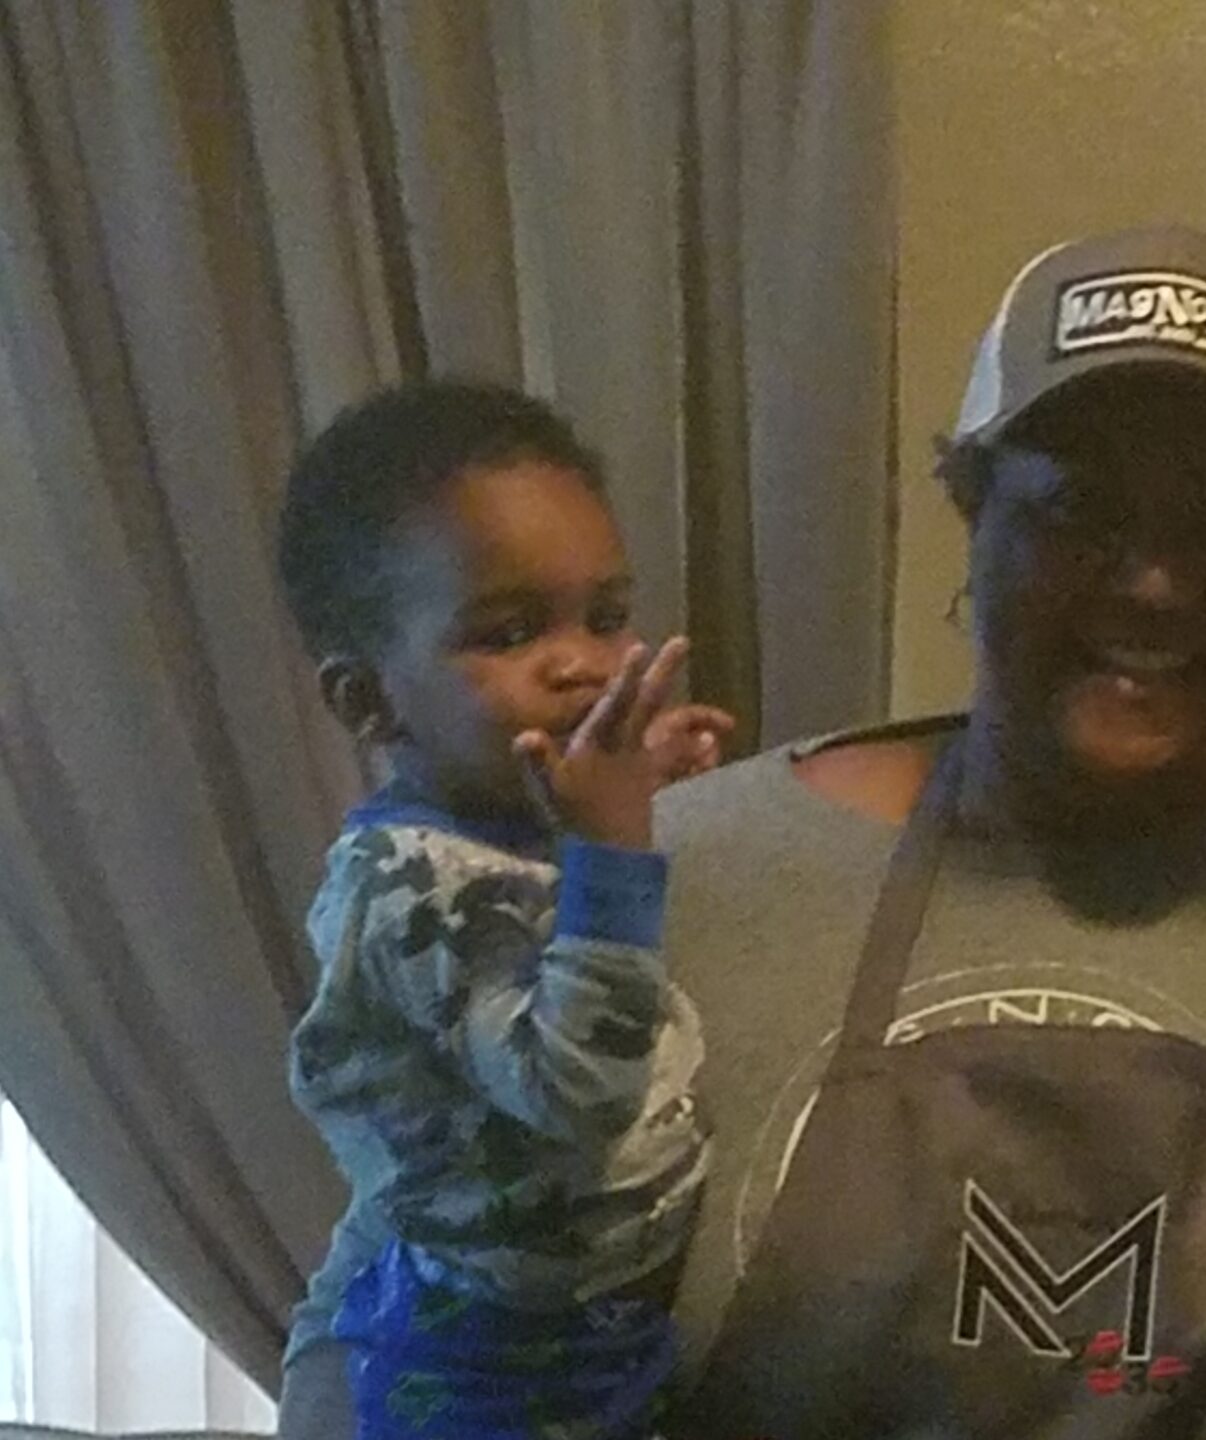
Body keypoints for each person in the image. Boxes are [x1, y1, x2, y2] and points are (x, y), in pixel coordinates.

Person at [645, 225, 1206, 1437]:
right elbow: (459, 1339)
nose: (1153, 585)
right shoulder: (686, 875)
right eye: (1079, 512)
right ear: (972, 515)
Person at [274, 380, 733, 1439]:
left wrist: (632, 781)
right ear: (369, 701)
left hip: (597, 1329)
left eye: (607, 618)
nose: (585, 665)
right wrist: (613, 852)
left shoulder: (514, 822)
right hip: (490, 1364)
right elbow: (576, 1088)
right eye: (512, 631)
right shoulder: (407, 886)